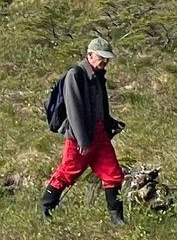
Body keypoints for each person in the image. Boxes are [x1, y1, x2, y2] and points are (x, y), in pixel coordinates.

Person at [41, 37, 128, 225]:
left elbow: (100, 107)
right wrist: (83, 140)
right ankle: (47, 208)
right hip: (80, 137)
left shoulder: (98, 75)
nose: (105, 62)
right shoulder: (75, 75)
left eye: (107, 59)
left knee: (113, 174)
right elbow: (74, 110)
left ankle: (117, 219)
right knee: (67, 173)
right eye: (101, 58)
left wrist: (110, 123)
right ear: (89, 55)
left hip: (99, 134)